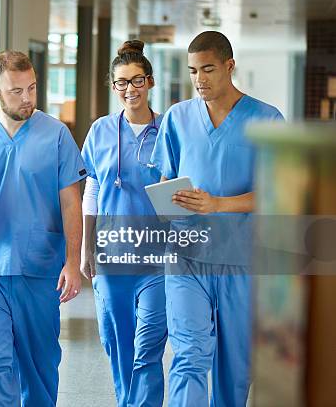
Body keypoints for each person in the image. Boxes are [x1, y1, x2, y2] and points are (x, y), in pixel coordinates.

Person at [151, 31, 284, 406]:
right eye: (193, 71)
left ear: (229, 66)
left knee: (234, 368)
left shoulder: (267, 119)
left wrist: (217, 205)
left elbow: (276, 194)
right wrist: (167, 205)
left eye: (207, 69)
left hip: (240, 260)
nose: (199, 80)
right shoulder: (177, 117)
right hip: (186, 258)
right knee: (189, 355)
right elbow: (166, 178)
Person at [0, 50, 85, 407]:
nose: (27, 99)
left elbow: (72, 203)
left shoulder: (56, 135)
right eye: (16, 91)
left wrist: (73, 263)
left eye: (32, 88)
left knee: (39, 366)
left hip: (39, 267)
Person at [80, 40, 167, 407]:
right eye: (121, 82)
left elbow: (179, 189)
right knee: (117, 341)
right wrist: (86, 249)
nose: (129, 89)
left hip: (159, 257)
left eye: (136, 81)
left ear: (149, 82)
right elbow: (93, 189)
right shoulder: (100, 130)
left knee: (148, 342)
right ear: (112, 85)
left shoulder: (168, 129)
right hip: (111, 253)